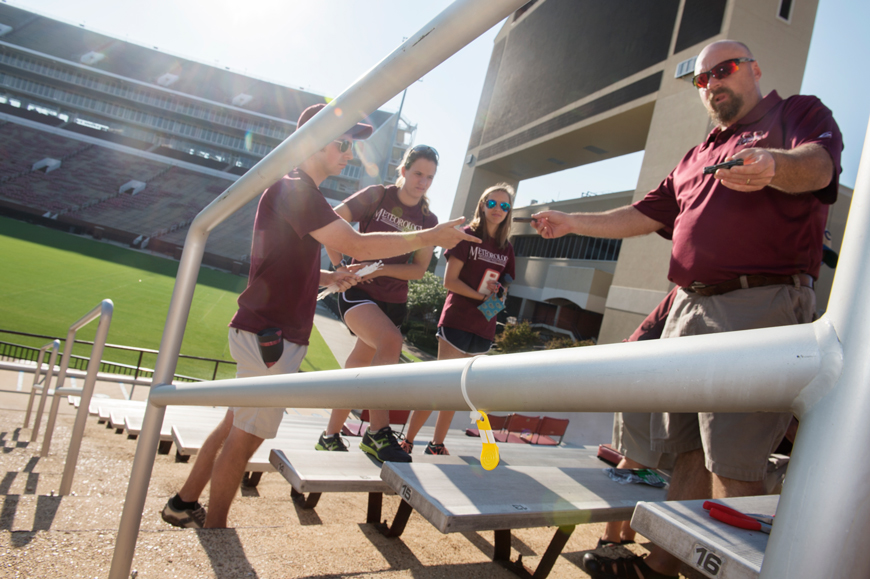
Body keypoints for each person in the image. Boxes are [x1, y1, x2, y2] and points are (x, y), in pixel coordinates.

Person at [530, 40, 842, 579]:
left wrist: (773, 165)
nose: (713, 83)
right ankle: (660, 568)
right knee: (687, 457)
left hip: (758, 306)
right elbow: (642, 214)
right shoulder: (697, 155)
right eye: (702, 79)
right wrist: (573, 222)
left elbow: (818, 166)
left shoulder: (797, 113)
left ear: (754, 68)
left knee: (734, 464)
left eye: (724, 70)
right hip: (688, 310)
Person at [160, 103, 479, 529]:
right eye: (342, 144)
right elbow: (359, 244)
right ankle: (216, 530)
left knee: (235, 423)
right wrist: (430, 237)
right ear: (312, 143)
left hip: (265, 328)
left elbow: (287, 264)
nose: (349, 154)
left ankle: (183, 503)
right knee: (246, 436)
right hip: (271, 335)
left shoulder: (300, 192)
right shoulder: (297, 190)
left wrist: (330, 275)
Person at [316, 144, 441, 463]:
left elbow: (418, 270)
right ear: (403, 170)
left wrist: (384, 268)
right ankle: (378, 431)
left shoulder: (429, 219)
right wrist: (340, 266)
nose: (422, 182)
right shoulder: (376, 196)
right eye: (417, 173)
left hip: (394, 302)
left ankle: (329, 436)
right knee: (391, 341)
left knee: (358, 366)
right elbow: (331, 222)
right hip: (359, 293)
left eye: (429, 177)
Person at [402, 184, 516, 456]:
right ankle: (406, 441)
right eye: (492, 203)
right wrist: (478, 295)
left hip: (483, 326)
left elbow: (506, 284)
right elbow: (449, 281)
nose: (497, 209)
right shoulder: (466, 236)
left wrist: (498, 296)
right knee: (439, 385)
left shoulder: (507, 248)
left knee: (457, 389)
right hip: (456, 320)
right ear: (482, 204)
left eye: (504, 205)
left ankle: (437, 444)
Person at [598, 288, 677, 549]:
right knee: (636, 460)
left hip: (661, 379)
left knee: (650, 467)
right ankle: (610, 537)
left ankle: (627, 536)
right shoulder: (694, 289)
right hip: (645, 374)